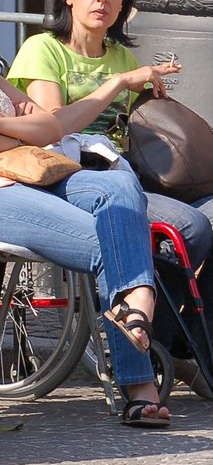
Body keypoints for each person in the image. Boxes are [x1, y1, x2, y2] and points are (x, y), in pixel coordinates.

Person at [9, 0, 213, 400]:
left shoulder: (124, 56)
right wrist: (119, 86)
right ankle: (152, 343)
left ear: (125, 2)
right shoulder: (43, 50)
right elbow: (52, 126)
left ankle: (193, 349)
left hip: (141, 174)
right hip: (76, 178)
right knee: (190, 227)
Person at [0, 78, 164, 426]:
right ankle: (139, 382)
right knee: (109, 243)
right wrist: (21, 131)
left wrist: (7, 132)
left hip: (31, 171)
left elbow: (49, 127)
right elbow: (36, 128)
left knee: (117, 183)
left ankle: (134, 298)